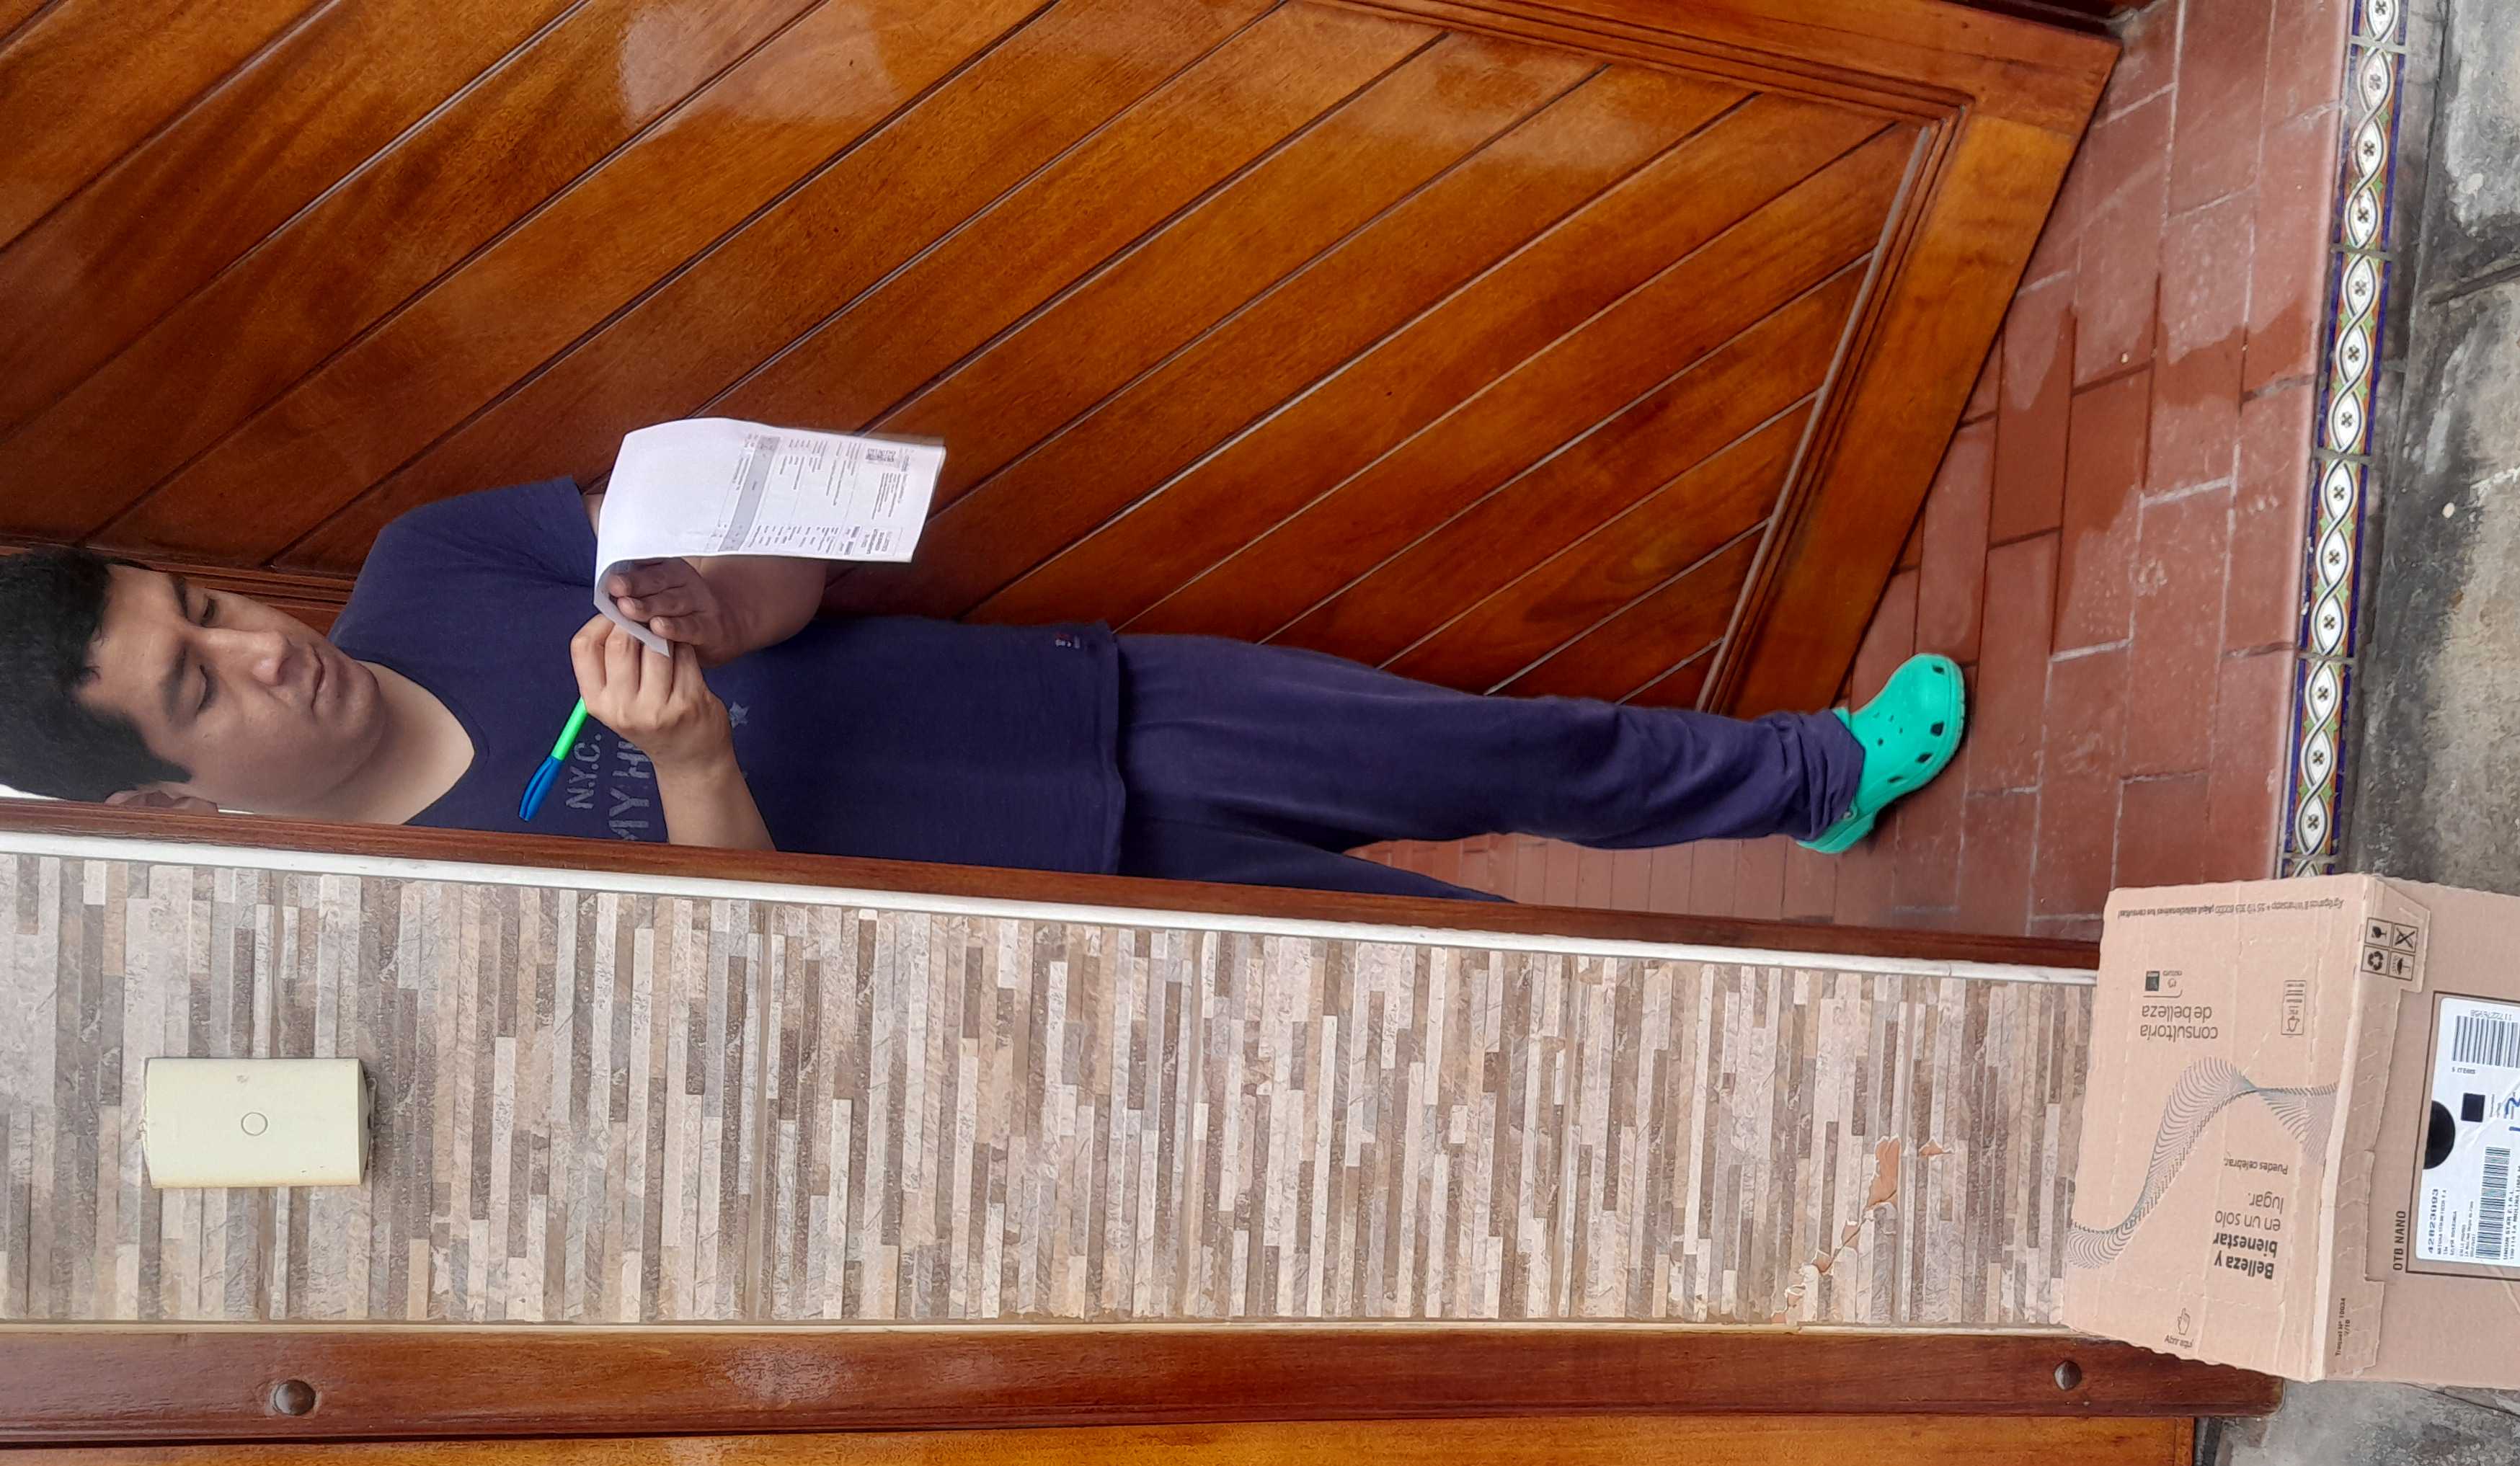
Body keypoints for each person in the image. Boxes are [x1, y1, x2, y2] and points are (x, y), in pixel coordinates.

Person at [0, 477, 1963, 899]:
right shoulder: (407, 898)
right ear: (158, 793)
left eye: (206, 602)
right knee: (1484, 969)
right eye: (196, 684)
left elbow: (790, 572)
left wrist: (725, 600)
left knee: (1491, 747)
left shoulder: (433, 561)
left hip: (1076, 708)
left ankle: (1808, 780)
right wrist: (688, 757)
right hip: (1069, 911)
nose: (263, 646)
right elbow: (750, 977)